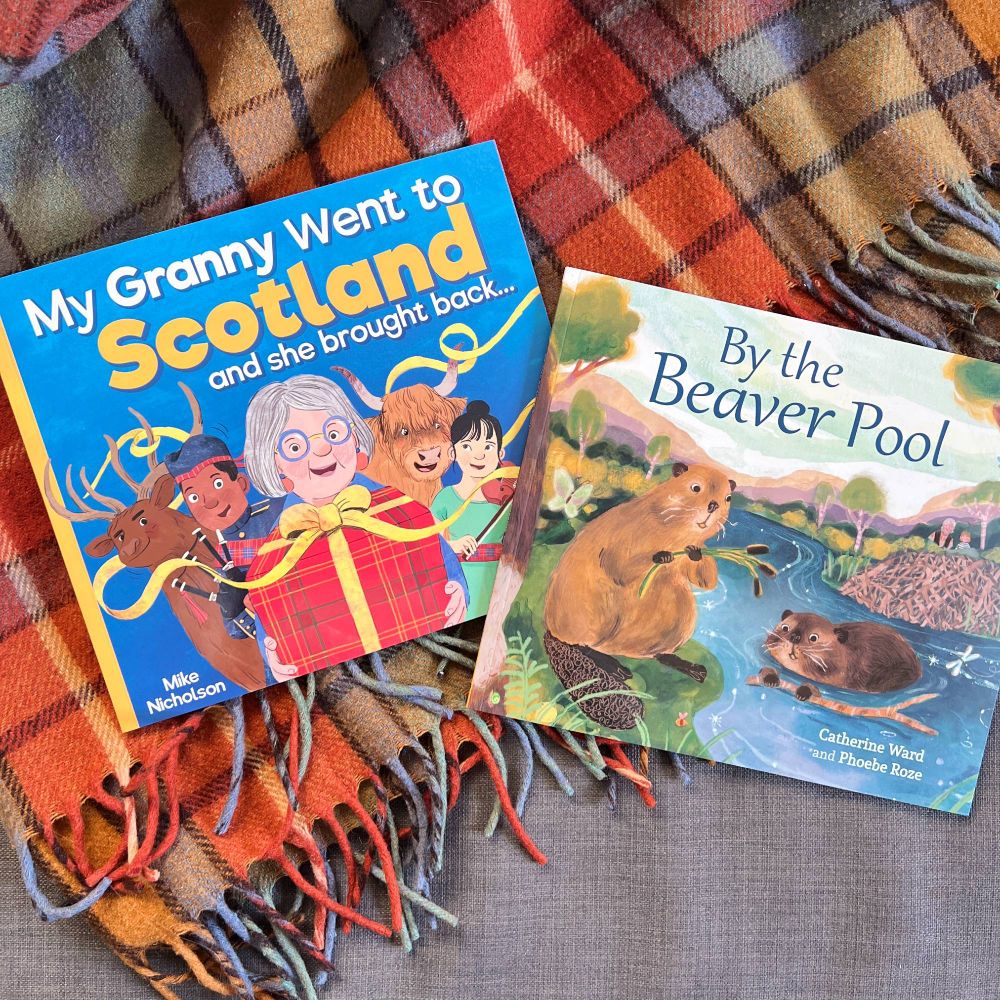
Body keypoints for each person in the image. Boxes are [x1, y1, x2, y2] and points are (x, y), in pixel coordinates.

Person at [243, 375, 468, 680]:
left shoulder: (402, 509)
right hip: (340, 684)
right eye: (294, 446)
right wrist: (273, 659)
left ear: (355, 438)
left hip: (435, 659)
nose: (322, 450)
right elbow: (270, 620)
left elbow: (443, 562)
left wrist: (459, 592)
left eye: (333, 432)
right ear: (274, 464)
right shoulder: (271, 558)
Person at [164, 433, 279, 640]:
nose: (209, 502)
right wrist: (234, 611)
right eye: (193, 497)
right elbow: (236, 632)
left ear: (242, 483)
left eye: (217, 483)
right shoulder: (224, 559)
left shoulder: (278, 511)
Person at [431, 400, 514, 619]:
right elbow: (430, 546)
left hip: (500, 579)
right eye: (467, 446)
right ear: (452, 452)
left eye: (488, 446)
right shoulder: (445, 498)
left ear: (500, 453)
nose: (479, 455)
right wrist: (453, 545)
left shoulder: (508, 498)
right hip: (460, 580)